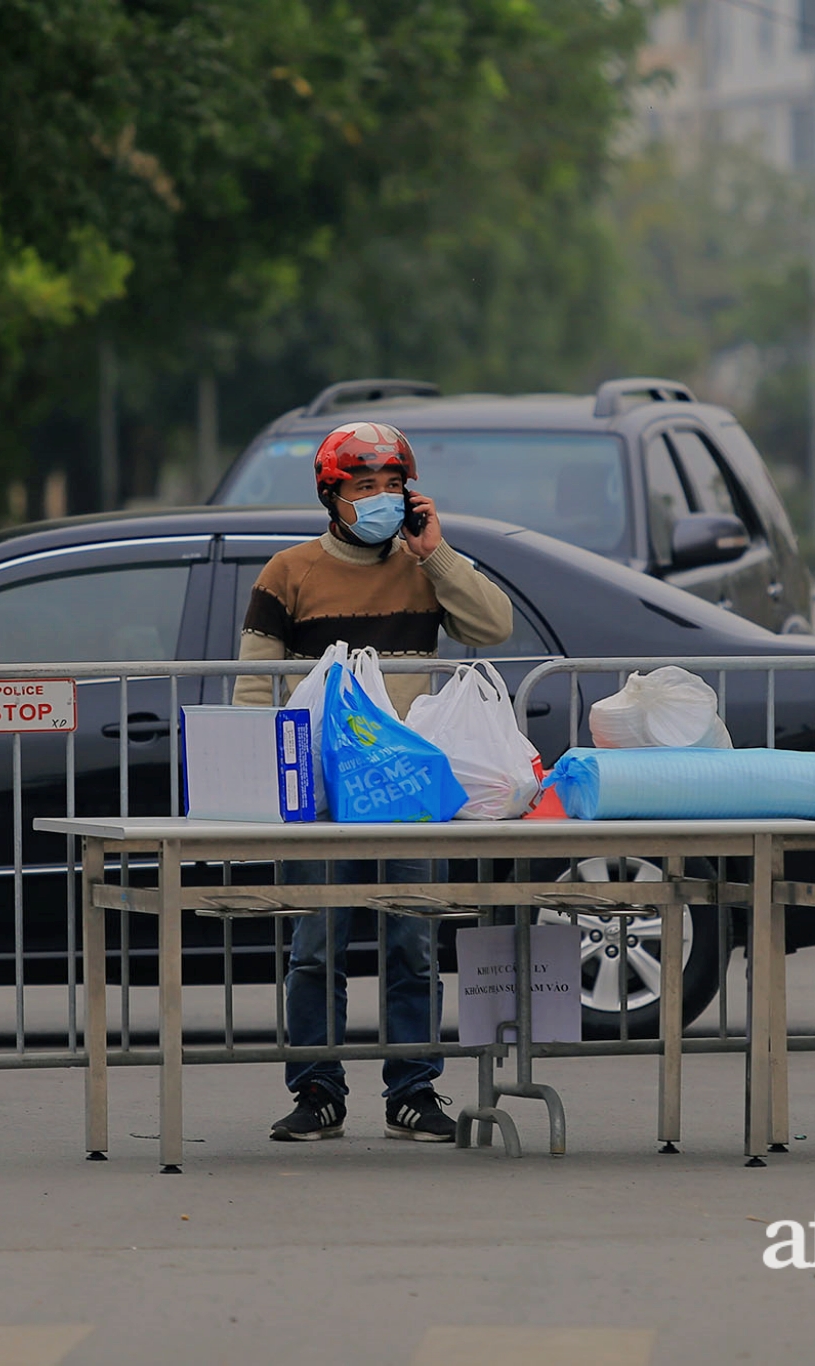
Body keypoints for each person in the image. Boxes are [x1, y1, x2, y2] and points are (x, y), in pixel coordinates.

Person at [234, 419, 513, 1141]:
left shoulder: (425, 567)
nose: (383, 499)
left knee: (412, 943)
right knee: (315, 946)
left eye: (395, 486)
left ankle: (413, 1092)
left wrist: (438, 551)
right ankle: (317, 1090)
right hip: (325, 797)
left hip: (407, 793)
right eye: (366, 487)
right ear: (333, 497)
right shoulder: (286, 574)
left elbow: (493, 627)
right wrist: (267, 788)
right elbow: (254, 690)